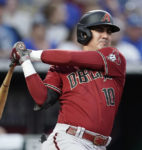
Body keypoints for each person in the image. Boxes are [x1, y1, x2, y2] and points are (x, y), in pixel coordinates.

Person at [10, 10, 126, 150]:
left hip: (99, 145)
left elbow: (71, 57)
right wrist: (25, 62)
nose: (106, 36)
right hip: (69, 140)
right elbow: (42, 99)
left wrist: (29, 54)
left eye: (109, 32)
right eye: (99, 30)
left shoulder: (114, 57)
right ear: (84, 33)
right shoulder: (61, 66)